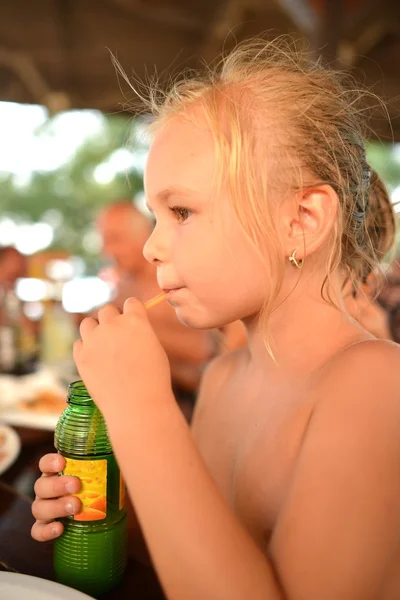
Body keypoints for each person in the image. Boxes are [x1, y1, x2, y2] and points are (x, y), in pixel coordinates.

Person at [31, 37, 400, 599]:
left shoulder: (375, 385)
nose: (153, 247)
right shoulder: (225, 378)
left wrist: (142, 413)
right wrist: (106, 515)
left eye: (182, 211)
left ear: (301, 219)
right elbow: (199, 569)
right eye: (156, 215)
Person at [96, 201, 216, 418]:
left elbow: (202, 352)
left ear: (143, 237)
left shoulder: (175, 279)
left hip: (186, 412)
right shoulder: (125, 281)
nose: (107, 250)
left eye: (114, 239)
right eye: (103, 240)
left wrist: (131, 325)